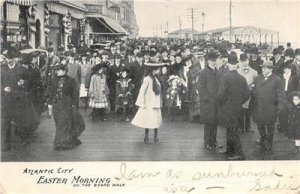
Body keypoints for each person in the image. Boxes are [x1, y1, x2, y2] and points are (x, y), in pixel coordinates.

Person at [1, 52, 39, 151]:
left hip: (19, 99)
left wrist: (24, 82)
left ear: (15, 58)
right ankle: (6, 143)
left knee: (20, 121)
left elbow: (31, 81)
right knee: (5, 122)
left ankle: (24, 139)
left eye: (11, 58)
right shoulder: (2, 69)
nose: (9, 60)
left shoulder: (22, 69)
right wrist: (3, 89)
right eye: (8, 58)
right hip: (6, 100)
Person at [217, 52, 250, 160]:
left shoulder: (224, 77)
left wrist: (222, 104)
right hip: (238, 108)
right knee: (232, 129)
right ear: (236, 65)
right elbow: (247, 94)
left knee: (231, 130)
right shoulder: (242, 78)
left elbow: (220, 95)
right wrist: (239, 102)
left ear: (228, 65)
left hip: (227, 108)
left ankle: (240, 153)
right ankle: (230, 150)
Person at [46, 62, 85, 150]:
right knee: (59, 123)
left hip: (66, 104)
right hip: (56, 104)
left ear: (64, 71)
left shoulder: (71, 80)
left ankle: (60, 143)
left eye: (59, 70)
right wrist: (49, 105)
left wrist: (74, 105)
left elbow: (74, 94)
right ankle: (64, 141)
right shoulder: (54, 80)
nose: (57, 72)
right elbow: (50, 92)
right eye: (57, 70)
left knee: (64, 123)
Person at [252, 61, 286, 150]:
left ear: (271, 69)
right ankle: (263, 138)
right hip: (259, 107)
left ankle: (269, 142)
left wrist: (280, 108)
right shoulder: (258, 78)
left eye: (265, 68)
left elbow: (281, 95)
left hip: (271, 108)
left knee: (270, 126)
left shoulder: (277, 80)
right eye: (262, 68)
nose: (263, 70)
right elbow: (252, 90)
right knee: (260, 125)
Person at [131, 62, 164, 144]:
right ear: (153, 70)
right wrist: (141, 102)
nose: (159, 71)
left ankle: (156, 136)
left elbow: (159, 90)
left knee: (156, 120)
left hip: (155, 103)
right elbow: (142, 91)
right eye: (158, 70)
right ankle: (146, 137)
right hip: (149, 102)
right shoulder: (147, 79)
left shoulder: (156, 79)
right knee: (148, 120)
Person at [198, 51, 221, 150]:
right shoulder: (204, 72)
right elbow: (200, 86)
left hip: (216, 102)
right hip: (207, 103)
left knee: (215, 122)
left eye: (215, 60)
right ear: (208, 61)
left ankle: (214, 141)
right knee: (208, 123)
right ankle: (207, 142)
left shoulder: (218, 71)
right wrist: (207, 97)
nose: (214, 62)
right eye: (212, 61)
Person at [237, 53, 258, 132]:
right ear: (240, 62)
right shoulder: (237, 71)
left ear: (248, 61)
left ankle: (248, 127)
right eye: (242, 61)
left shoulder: (254, 72)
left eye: (245, 60)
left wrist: (251, 88)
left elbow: (256, 83)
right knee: (240, 111)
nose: (244, 62)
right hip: (240, 94)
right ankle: (240, 126)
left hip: (250, 95)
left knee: (249, 111)